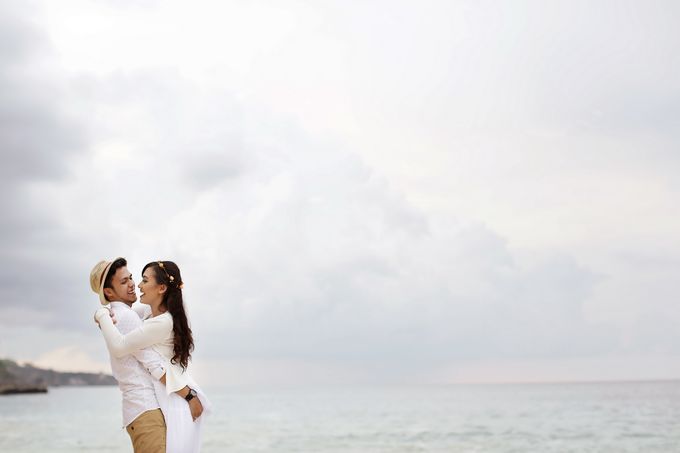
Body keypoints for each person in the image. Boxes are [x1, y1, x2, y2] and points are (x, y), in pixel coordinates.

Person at [90, 258, 203, 453]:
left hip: (142, 409)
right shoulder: (126, 317)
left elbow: (153, 310)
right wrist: (190, 397)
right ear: (108, 292)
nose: (133, 284)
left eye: (131, 278)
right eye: (124, 282)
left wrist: (102, 314)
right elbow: (154, 365)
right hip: (145, 409)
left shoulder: (129, 315)